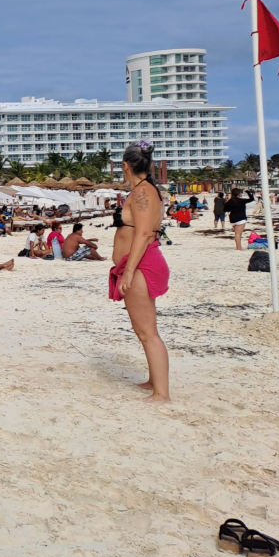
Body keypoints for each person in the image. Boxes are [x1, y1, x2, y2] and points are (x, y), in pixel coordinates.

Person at [110, 141, 171, 403]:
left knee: (147, 331)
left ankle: (162, 393)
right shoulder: (143, 190)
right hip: (138, 263)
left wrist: (128, 272)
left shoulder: (143, 192)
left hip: (141, 265)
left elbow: (144, 233)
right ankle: (153, 381)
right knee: (143, 329)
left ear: (125, 166)